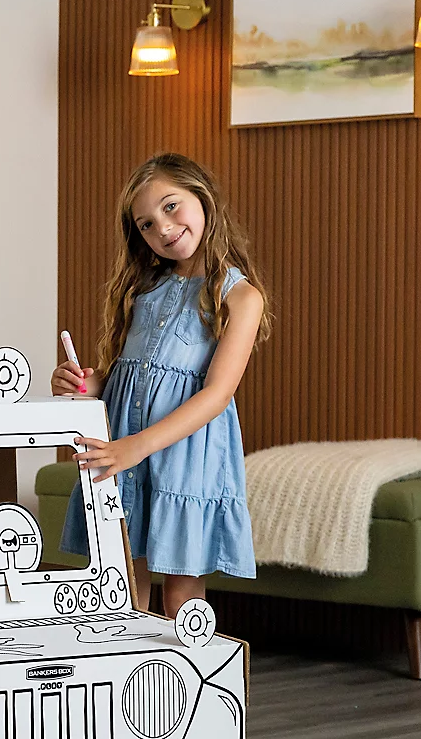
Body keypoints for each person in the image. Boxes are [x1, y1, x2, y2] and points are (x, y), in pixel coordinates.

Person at [51, 151, 270, 618]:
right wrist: (86, 384)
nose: (163, 227)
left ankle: (180, 686)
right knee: (121, 581)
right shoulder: (143, 288)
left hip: (185, 454)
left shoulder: (239, 295)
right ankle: (127, 684)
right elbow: (126, 374)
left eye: (171, 207)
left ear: (203, 197)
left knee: (180, 597)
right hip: (125, 448)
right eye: (146, 224)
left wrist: (137, 446)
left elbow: (216, 395)